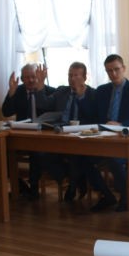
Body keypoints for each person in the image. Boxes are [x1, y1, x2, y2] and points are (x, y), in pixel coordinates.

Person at [38, 62, 106, 203]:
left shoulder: (93, 94)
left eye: (76, 75)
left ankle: (73, 186)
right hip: (60, 132)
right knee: (41, 153)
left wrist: (81, 97)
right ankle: (68, 178)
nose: (72, 78)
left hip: (81, 136)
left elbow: (93, 119)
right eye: (70, 75)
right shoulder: (62, 91)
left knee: (75, 155)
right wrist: (40, 83)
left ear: (84, 77)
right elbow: (44, 104)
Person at [94, 54, 129, 211]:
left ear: (124, 68)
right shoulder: (102, 91)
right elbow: (95, 116)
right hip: (103, 136)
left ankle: (127, 197)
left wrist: (121, 124)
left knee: (115, 159)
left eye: (116, 69)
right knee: (82, 157)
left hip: (127, 137)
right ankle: (107, 195)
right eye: (109, 71)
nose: (113, 74)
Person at [1, 63, 59, 199]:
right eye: (27, 77)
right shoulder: (18, 91)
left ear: (39, 76)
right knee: (3, 151)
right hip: (22, 135)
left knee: (36, 152)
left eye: (33, 76)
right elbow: (6, 112)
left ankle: (33, 189)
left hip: (43, 137)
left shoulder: (50, 91)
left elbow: (56, 115)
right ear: (22, 79)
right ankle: (20, 186)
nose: (31, 80)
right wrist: (11, 93)